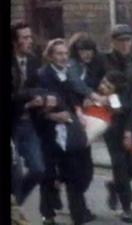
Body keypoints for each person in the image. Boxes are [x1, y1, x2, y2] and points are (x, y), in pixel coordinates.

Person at [33, 39, 95, 225]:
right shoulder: (41, 75)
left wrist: (78, 110)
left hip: (70, 133)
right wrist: (52, 117)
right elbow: (31, 106)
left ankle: (78, 216)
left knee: (76, 176)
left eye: (65, 53)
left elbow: (74, 97)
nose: (63, 57)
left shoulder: (69, 74)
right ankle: (48, 214)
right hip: (48, 134)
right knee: (49, 176)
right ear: (50, 55)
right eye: (58, 54)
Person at [101, 23, 132, 223]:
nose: (125, 44)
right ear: (113, 42)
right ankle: (127, 207)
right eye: (120, 41)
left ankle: (114, 186)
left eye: (128, 40)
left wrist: (129, 128)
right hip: (110, 121)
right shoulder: (102, 61)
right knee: (119, 164)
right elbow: (97, 85)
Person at [11, 21, 56, 206]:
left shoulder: (33, 60)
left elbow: (40, 87)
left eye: (30, 37)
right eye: (25, 38)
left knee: (38, 169)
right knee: (15, 173)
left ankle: (16, 205)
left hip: (28, 123)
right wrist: (31, 96)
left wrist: (46, 98)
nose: (29, 41)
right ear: (14, 41)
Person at [67, 32, 107, 105]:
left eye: (90, 50)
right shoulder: (72, 64)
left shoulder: (93, 64)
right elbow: (76, 81)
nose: (87, 54)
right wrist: (93, 96)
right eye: (83, 51)